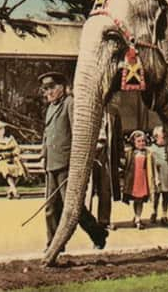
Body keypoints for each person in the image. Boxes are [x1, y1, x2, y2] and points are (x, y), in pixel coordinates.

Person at [39, 71, 108, 251]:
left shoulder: (70, 104)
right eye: (45, 89)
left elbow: (78, 134)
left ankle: (98, 233)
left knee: (73, 208)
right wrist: (43, 156)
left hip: (67, 164)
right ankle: (53, 244)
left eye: (52, 87)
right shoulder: (50, 108)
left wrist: (77, 163)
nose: (48, 92)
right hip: (52, 164)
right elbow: (47, 135)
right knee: (51, 207)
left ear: (62, 87)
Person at [89, 109, 123, 230]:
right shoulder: (87, 109)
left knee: (105, 188)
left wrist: (120, 157)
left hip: (106, 152)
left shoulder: (113, 114)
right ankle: (87, 221)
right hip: (90, 152)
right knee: (88, 189)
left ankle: (104, 220)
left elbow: (119, 137)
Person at [122, 130, 156, 230]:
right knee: (136, 200)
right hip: (133, 180)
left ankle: (138, 218)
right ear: (134, 142)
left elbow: (152, 168)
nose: (141, 143)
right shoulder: (129, 153)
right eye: (139, 141)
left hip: (143, 180)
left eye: (143, 141)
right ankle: (137, 217)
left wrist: (155, 179)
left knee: (140, 200)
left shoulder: (148, 154)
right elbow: (125, 165)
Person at [0, 121, 26, 199]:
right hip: (0, 162)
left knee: (20, 169)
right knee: (6, 169)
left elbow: (17, 149)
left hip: (12, 159)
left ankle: (10, 191)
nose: (1, 131)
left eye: (2, 129)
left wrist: (12, 154)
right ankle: (14, 190)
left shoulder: (10, 139)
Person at [148, 126, 168, 225]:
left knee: (166, 196)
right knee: (156, 196)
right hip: (157, 176)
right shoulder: (151, 149)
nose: (164, 139)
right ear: (156, 137)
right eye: (162, 137)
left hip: (167, 175)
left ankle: (164, 215)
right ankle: (154, 212)